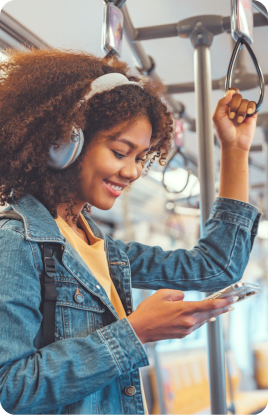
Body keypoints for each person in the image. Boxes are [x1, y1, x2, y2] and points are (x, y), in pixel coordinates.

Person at [0, 48, 261, 415]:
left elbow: (215, 267)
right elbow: (16, 387)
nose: (134, 172)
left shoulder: (101, 247)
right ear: (63, 144)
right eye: (121, 152)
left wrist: (235, 149)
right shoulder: (16, 243)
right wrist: (135, 332)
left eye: (140, 158)